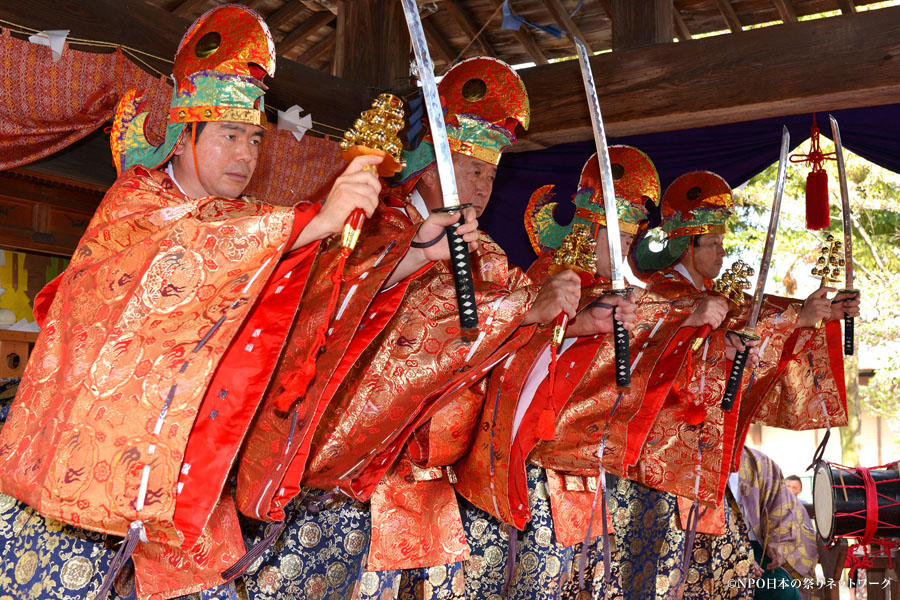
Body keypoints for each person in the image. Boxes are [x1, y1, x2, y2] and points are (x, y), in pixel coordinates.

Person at [0, 5, 394, 599]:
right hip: (97, 475)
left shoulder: (250, 223)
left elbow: (294, 297)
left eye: (256, 138)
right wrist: (315, 221)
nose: (247, 154)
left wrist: (393, 255)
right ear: (183, 137)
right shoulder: (137, 204)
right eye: (230, 135)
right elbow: (185, 255)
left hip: (193, 471)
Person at [233, 56, 583, 600]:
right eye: (470, 168)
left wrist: (571, 316)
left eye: (491, 173)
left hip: (436, 488)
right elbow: (419, 326)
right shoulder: (378, 226)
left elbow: (515, 317)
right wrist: (518, 309)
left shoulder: (485, 252)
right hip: (354, 482)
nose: (484, 184)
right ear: (431, 164)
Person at [736, 448, 819, 600]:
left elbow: (780, 508)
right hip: (711, 552)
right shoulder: (690, 464)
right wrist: (737, 558)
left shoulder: (759, 462)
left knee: (783, 590)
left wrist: (778, 543)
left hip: (758, 550)